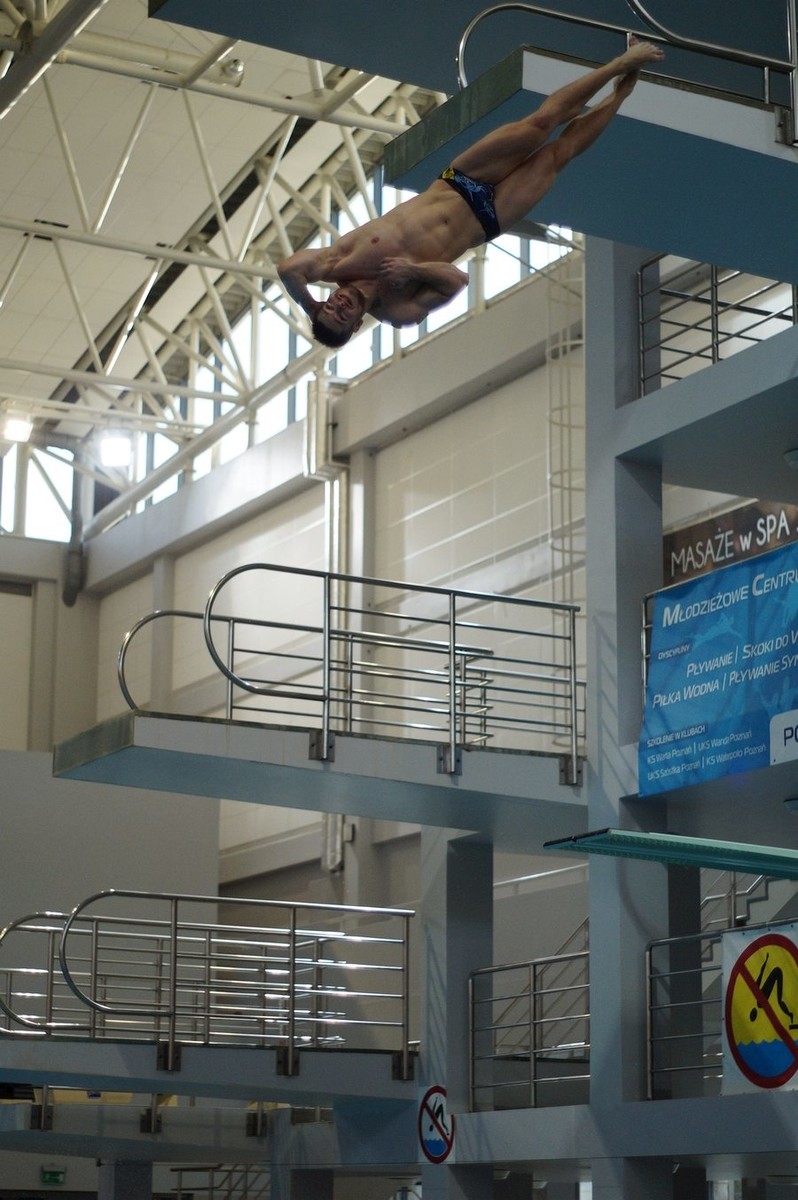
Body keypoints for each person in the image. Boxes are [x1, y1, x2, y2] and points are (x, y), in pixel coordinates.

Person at [278, 35, 665, 347]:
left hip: (458, 181)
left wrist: (310, 306)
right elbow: (457, 281)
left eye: (329, 307)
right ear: (357, 324)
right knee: (557, 154)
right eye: (341, 317)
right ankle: (622, 92)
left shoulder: (339, 263)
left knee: (541, 123)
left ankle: (619, 65)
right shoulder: (398, 311)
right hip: (487, 218)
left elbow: (288, 269)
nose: (338, 306)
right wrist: (413, 270)